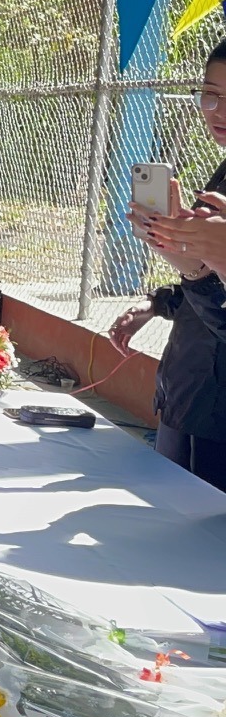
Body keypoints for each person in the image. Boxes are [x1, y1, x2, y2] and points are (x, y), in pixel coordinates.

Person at [112, 36, 226, 488]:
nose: (217, 110)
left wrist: (198, 268)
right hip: (190, 390)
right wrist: (160, 301)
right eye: (210, 94)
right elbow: (208, 280)